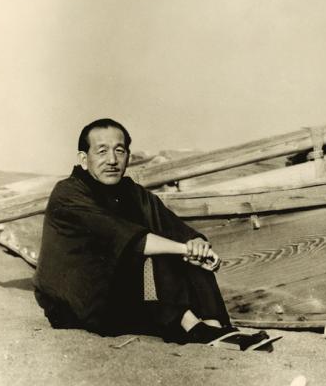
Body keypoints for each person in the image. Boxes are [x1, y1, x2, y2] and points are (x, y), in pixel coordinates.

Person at [33, 118, 263, 346]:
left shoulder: (131, 192)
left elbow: (174, 227)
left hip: (115, 296)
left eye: (119, 151)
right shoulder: (68, 193)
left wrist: (198, 244)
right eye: (102, 151)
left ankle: (216, 327)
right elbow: (129, 239)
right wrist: (186, 249)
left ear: (128, 156)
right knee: (159, 248)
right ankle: (193, 327)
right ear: (84, 159)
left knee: (182, 245)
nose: (112, 160)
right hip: (77, 305)